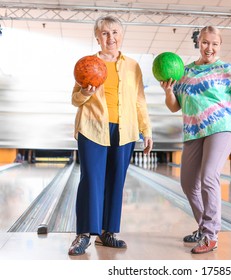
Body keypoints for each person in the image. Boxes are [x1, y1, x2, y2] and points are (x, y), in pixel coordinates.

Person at [160, 26, 231, 254]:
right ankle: (203, 228)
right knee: (187, 183)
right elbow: (175, 106)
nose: (209, 48)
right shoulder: (184, 72)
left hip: (220, 128)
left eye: (214, 43)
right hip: (193, 131)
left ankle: (211, 236)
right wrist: (168, 92)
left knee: (209, 176)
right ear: (198, 43)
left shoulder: (226, 69)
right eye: (205, 42)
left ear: (219, 45)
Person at [69, 15, 153, 256]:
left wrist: (146, 130)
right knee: (91, 180)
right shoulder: (86, 64)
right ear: (97, 37)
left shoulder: (132, 66)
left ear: (121, 35)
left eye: (115, 32)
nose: (111, 38)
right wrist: (85, 91)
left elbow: (139, 101)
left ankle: (108, 233)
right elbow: (75, 99)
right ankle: (84, 234)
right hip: (93, 127)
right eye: (105, 33)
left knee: (116, 181)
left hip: (125, 130)